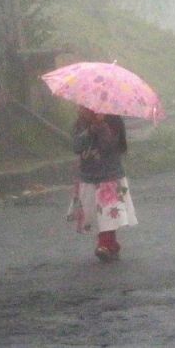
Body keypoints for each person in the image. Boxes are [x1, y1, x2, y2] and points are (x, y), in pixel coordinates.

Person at [68, 106, 138, 262]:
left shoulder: (113, 120)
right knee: (94, 213)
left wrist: (101, 127)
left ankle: (104, 244)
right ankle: (111, 244)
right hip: (89, 176)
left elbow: (111, 146)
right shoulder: (80, 124)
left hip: (109, 176)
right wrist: (90, 130)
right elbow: (76, 146)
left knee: (107, 212)